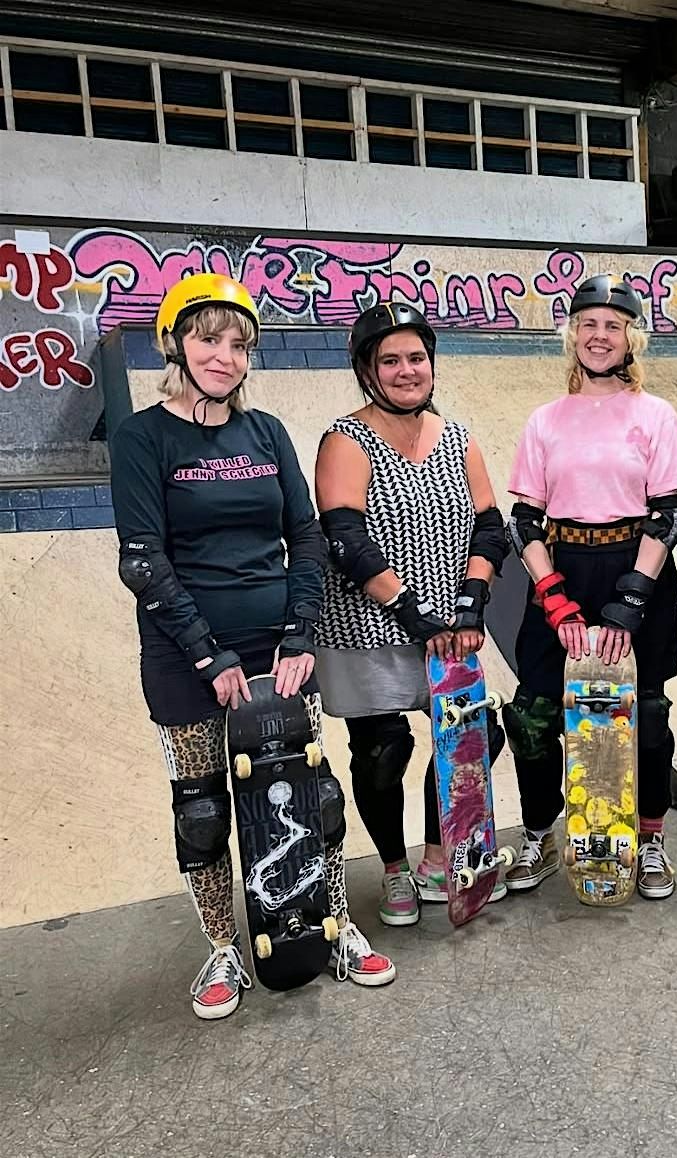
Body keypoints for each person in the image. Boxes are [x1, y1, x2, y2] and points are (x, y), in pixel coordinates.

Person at [110, 273, 394, 1021]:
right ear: (175, 342)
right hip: (185, 655)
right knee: (201, 810)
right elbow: (142, 558)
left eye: (238, 345)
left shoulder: (265, 431)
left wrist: (298, 634)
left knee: (312, 797)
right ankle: (223, 947)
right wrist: (211, 656)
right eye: (209, 339)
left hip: (278, 651)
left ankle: (328, 925)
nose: (225, 356)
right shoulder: (143, 436)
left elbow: (304, 535)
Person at [314, 302, 508, 928]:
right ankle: (392, 871)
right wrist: (410, 611)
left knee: (474, 736)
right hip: (365, 628)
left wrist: (471, 601)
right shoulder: (346, 438)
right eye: (390, 360)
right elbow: (344, 537)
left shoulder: (456, 436)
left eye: (416, 358)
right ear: (367, 370)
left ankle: (436, 855)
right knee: (381, 750)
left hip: (449, 628)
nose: (406, 371)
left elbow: (489, 527)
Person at [502, 275, 677, 899]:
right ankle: (539, 833)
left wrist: (631, 598)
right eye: (589, 324)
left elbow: (668, 513)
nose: (599, 336)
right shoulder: (545, 419)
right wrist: (554, 597)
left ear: (631, 337)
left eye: (613, 325)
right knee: (532, 716)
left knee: (648, 715)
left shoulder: (656, 415)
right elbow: (524, 518)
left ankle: (652, 838)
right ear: (571, 334)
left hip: (640, 569)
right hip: (561, 570)